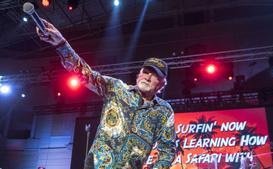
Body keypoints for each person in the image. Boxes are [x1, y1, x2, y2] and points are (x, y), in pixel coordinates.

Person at [36, 20, 176, 169]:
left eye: (154, 76)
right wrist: (61, 44)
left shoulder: (164, 111)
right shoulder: (116, 88)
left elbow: (167, 150)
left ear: (161, 83)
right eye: (145, 72)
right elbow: (85, 73)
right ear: (139, 75)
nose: (148, 77)